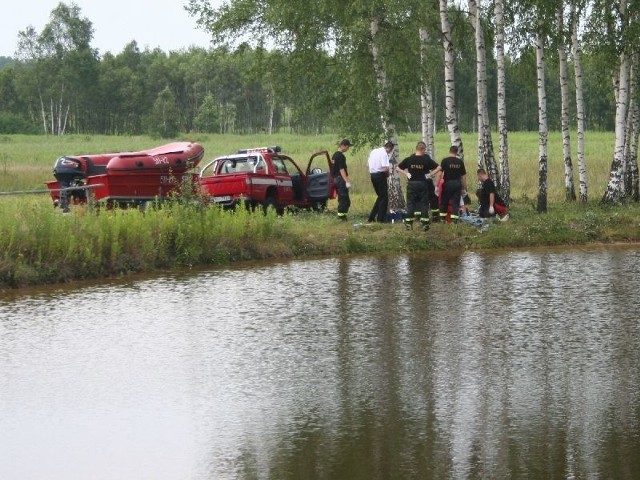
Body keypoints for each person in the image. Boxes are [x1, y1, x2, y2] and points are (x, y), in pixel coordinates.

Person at [396, 141, 441, 231]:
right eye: (425, 150)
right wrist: (430, 174)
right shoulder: (426, 159)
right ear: (423, 149)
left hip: (412, 184)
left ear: (416, 149)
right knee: (424, 203)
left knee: (411, 203)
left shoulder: (409, 159)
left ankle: (408, 223)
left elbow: (397, 168)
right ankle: (425, 224)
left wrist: (406, 173)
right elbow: (439, 167)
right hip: (422, 184)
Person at [439, 145, 467, 223]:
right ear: (456, 152)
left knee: (444, 201)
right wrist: (464, 188)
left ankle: (442, 219)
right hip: (457, 184)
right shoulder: (460, 162)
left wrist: (436, 185)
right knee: (455, 203)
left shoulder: (445, 161)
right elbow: (463, 177)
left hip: (447, 183)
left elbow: (440, 173)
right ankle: (454, 220)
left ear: (449, 151)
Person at [367, 140, 394, 223]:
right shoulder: (384, 154)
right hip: (380, 175)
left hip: (373, 175)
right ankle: (380, 219)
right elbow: (385, 168)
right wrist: (388, 175)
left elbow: (367, 165)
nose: (390, 152)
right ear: (389, 148)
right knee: (384, 198)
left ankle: (371, 217)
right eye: (390, 150)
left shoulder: (374, 151)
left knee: (380, 196)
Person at [331, 139, 353, 221]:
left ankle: (343, 217)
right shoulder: (340, 156)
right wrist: (346, 181)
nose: (348, 149)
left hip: (336, 179)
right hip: (340, 180)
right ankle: (341, 218)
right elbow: (341, 169)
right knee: (344, 200)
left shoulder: (334, 155)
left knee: (343, 199)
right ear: (343, 145)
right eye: (348, 147)